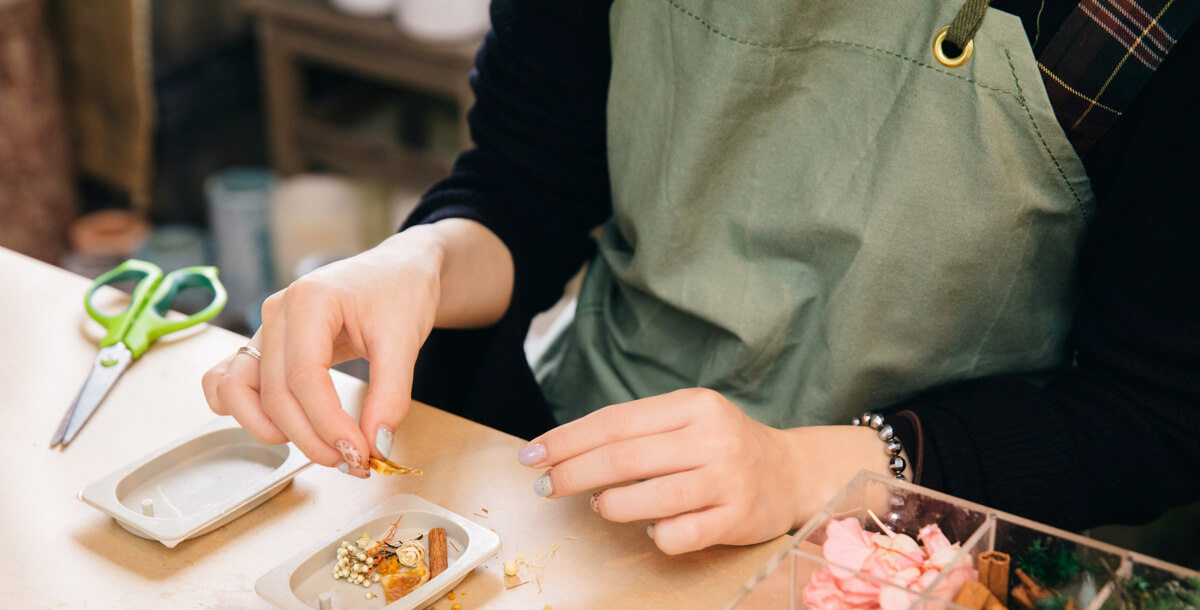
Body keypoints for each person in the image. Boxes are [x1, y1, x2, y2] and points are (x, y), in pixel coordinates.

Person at [203, 0, 1200, 555]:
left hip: (929, 541)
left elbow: (1152, 413)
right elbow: (527, 181)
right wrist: (413, 263)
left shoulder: (1133, 25)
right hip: (578, 474)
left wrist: (814, 470)